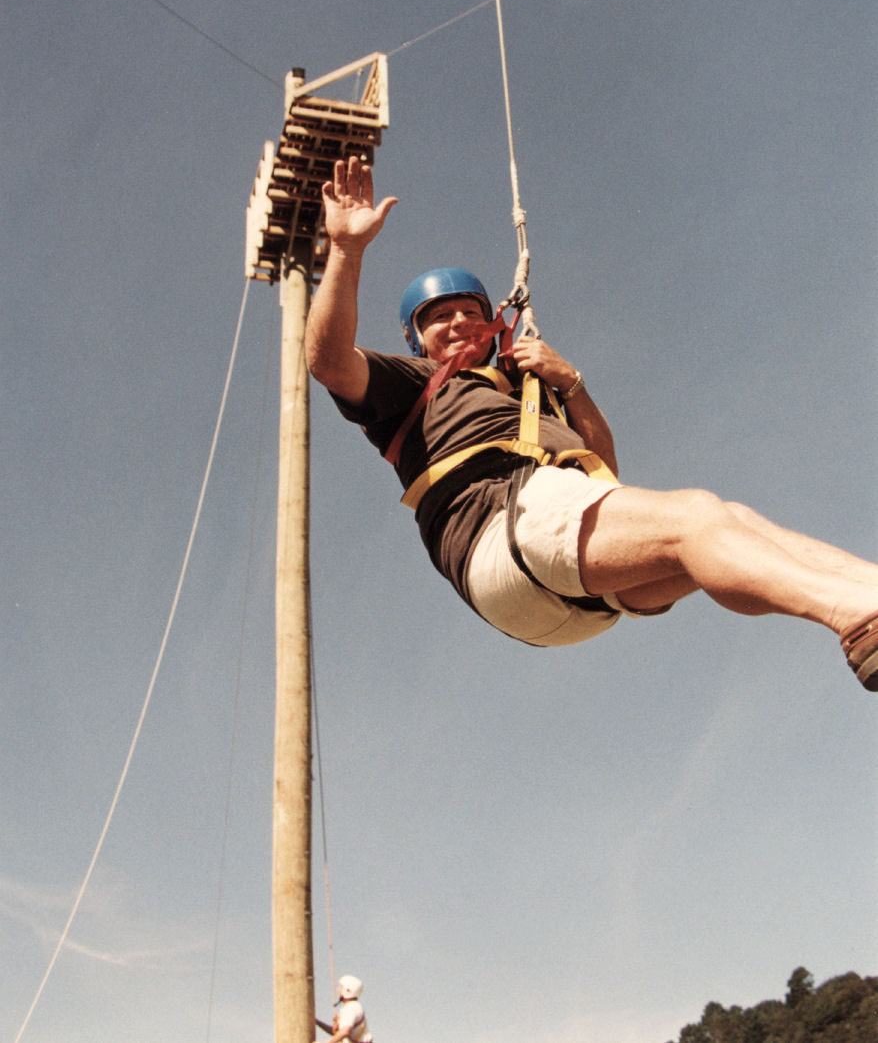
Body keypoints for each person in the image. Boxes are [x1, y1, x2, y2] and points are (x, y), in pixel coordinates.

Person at [304, 156, 878, 689]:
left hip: (561, 592)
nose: (458, 323)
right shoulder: (412, 384)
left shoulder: (532, 394)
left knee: (732, 525)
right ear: (416, 338)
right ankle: (853, 614)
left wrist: (570, 384)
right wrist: (347, 251)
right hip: (501, 532)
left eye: (470, 313)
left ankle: (869, 592)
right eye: (439, 317)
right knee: (698, 515)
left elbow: (603, 476)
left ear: (495, 324)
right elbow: (328, 361)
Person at [322, 975, 372, 1043]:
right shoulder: (352, 1006)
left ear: (348, 991)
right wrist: (317, 1022)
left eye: (341, 987)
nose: (338, 990)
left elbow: (345, 1032)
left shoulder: (351, 1008)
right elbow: (338, 1034)